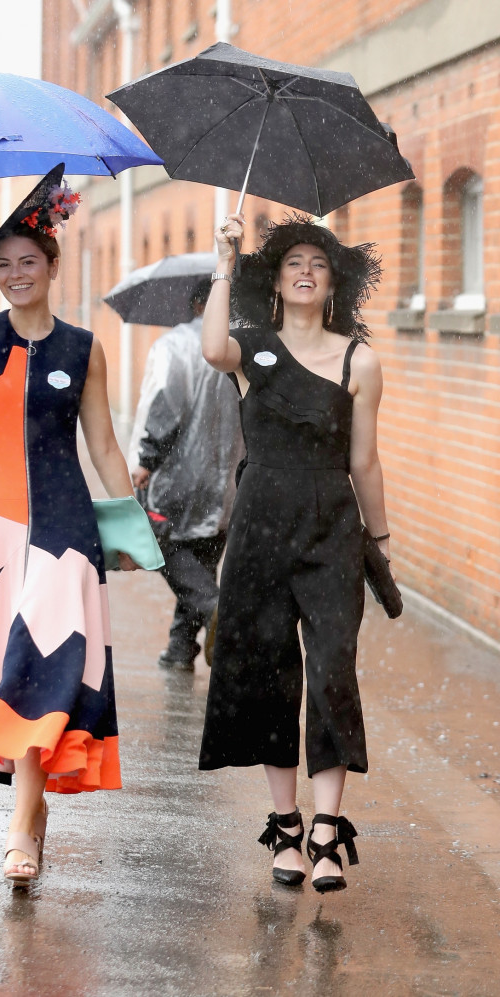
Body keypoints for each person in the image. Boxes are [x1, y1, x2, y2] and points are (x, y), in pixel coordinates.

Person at [0, 164, 139, 887]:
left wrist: (136, 531)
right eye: (4, 266)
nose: (16, 274)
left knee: (37, 668)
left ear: (52, 265)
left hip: (63, 533)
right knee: (0, 668)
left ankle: (22, 823)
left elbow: (106, 446)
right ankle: (31, 808)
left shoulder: (84, 348)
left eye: (29, 262)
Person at [199, 212, 391, 894]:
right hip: (260, 522)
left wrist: (381, 539)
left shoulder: (357, 359)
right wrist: (225, 261)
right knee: (268, 667)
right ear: (276, 280)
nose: (305, 270)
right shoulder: (250, 349)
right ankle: (285, 824)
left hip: (332, 524)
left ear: (333, 282)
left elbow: (364, 461)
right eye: (292, 263)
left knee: (333, 666)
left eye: (318, 262)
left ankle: (328, 830)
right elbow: (210, 346)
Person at [129, 279, 243, 670]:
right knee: (202, 559)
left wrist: (146, 459)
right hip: (228, 479)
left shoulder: (175, 345)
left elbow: (166, 406)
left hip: (178, 475)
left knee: (164, 547)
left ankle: (218, 609)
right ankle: (181, 649)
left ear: (196, 304)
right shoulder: (242, 347)